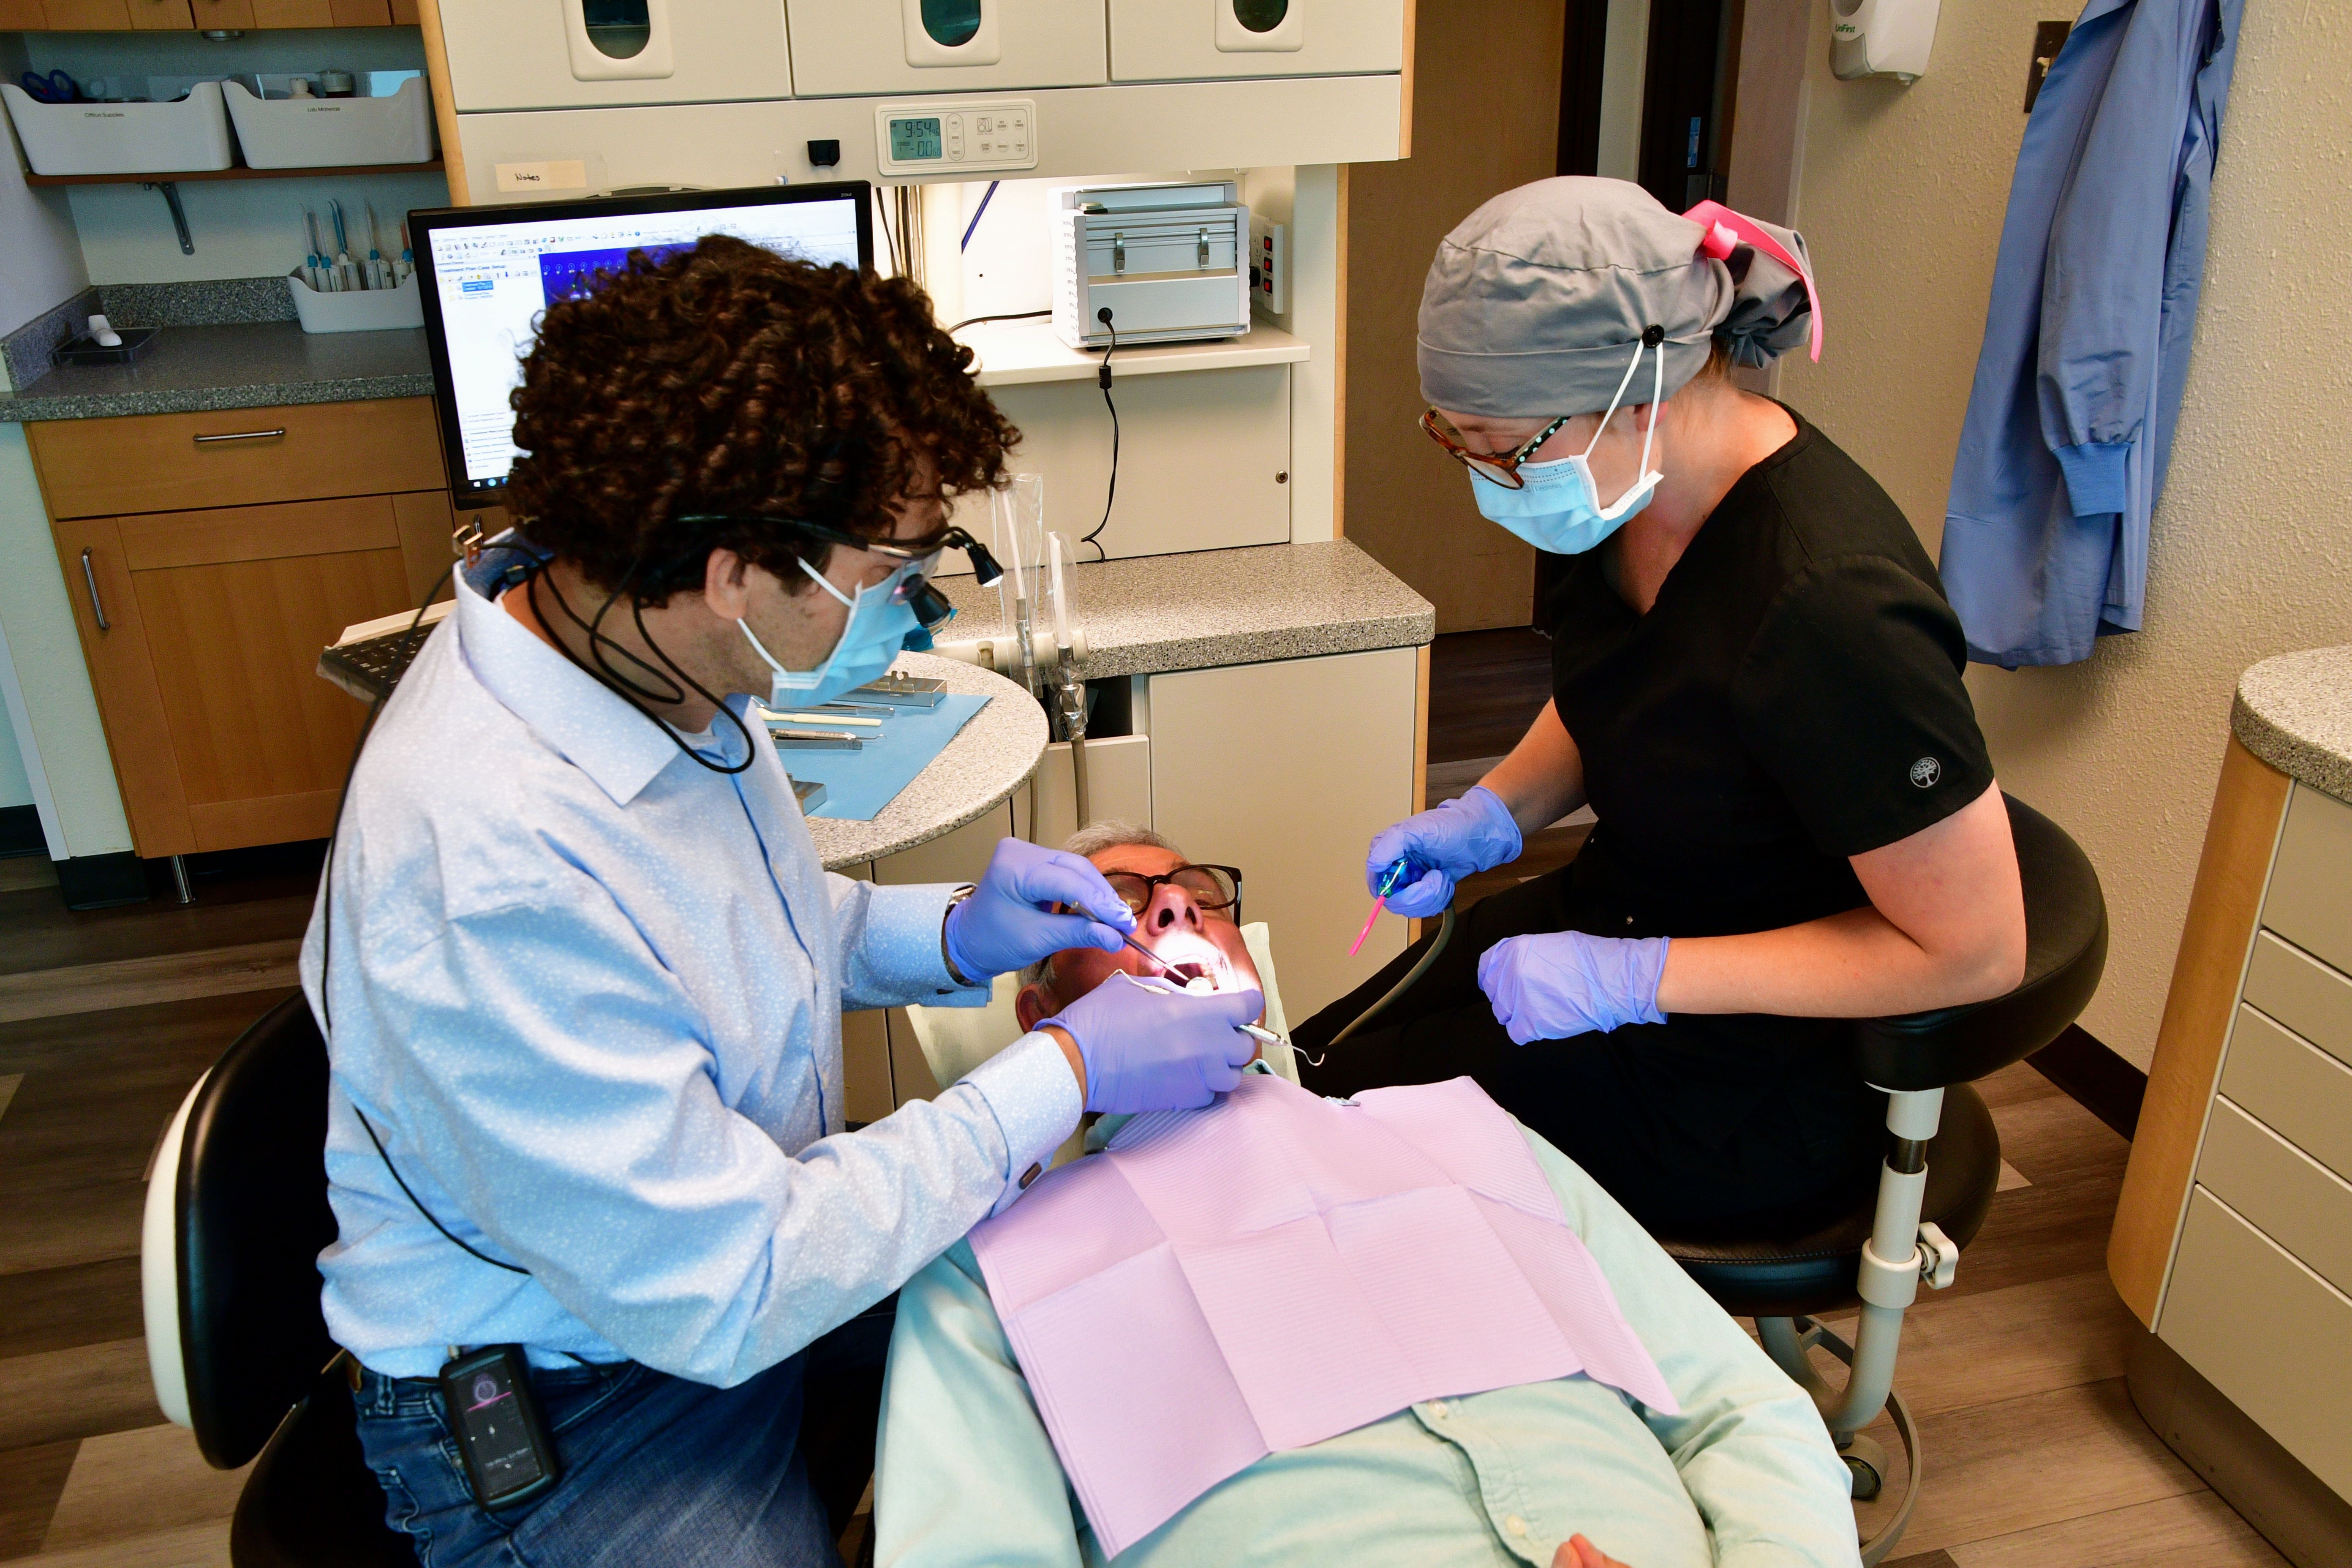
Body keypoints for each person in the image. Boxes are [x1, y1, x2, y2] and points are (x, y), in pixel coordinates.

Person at [301, 237, 1262, 1567]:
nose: (916, 617)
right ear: (735, 570)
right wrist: (1062, 1071)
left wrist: (951, 934)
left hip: (726, 1258)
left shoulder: (656, 662)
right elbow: (733, 1285)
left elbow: (723, 933)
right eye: (888, 574)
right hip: (582, 1397)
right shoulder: (483, 867)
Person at [1295, 178, 2027, 1231]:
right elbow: (1634, 690)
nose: (1487, 475)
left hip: (1747, 1070)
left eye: (1502, 444)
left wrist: (1635, 978)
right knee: (1310, 1061)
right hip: (1619, 919)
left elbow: (1977, 946)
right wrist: (1489, 816)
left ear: (1644, 391)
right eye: (1455, 440)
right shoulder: (1621, 493)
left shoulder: (1831, 608)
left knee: (1344, 1142)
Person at [873, 825, 1862, 1568]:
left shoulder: (1470, 1132)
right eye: (1121, 899)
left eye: (1199, 895)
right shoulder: (985, 1273)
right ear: (1044, 1015)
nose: (1176, 909)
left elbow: (1745, 1409)